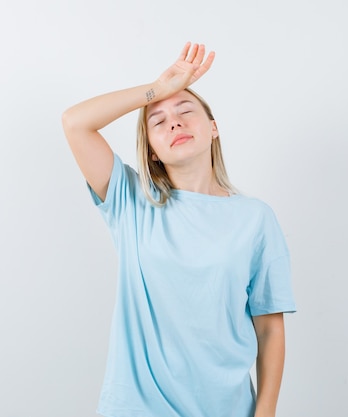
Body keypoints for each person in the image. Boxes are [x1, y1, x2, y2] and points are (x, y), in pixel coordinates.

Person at [61, 42, 296, 417]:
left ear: (213, 128)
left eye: (186, 110)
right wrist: (159, 89)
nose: (174, 122)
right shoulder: (131, 201)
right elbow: (75, 122)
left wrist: (265, 414)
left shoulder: (255, 219)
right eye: (158, 121)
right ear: (152, 150)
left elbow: (269, 329)